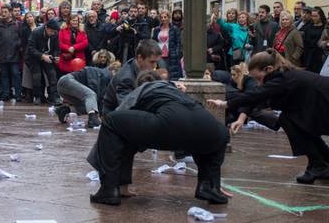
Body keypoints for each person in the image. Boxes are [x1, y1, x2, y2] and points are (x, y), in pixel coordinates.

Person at [212, 49, 329, 184]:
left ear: (268, 69)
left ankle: (318, 164)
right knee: (299, 122)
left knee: (289, 120)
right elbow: (258, 95)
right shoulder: (283, 76)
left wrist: (225, 104)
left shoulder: (283, 79)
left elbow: (256, 94)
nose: (258, 83)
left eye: (258, 78)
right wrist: (241, 118)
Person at [90, 71, 230, 206]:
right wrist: (212, 177)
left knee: (111, 121)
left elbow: (120, 117)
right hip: (208, 128)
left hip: (167, 124)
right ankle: (209, 186)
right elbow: (193, 129)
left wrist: (98, 161)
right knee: (221, 133)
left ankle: (109, 190)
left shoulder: (144, 88)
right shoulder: (176, 91)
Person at [102, 39, 163, 112]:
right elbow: (127, 108)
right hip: (114, 117)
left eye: (156, 62)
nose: (155, 66)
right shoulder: (126, 79)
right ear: (140, 58)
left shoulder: (136, 65)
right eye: (152, 62)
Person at [26, 19, 60, 105]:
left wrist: (56, 56)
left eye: (54, 32)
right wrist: (42, 56)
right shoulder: (36, 32)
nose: (53, 33)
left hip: (48, 56)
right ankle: (37, 96)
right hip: (34, 57)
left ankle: (55, 97)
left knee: (52, 75)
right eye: (51, 31)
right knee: (37, 77)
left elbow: (56, 48)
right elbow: (31, 48)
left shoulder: (55, 34)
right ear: (46, 28)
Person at [0, 5, 23, 102]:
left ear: (10, 12)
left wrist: (18, 45)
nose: (4, 14)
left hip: (14, 54)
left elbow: (22, 38)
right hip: (2, 54)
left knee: (16, 74)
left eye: (5, 12)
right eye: (2, 12)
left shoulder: (17, 24)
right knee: (4, 75)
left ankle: (18, 94)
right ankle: (6, 93)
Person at [152, 10, 183, 80]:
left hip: (171, 54)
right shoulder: (157, 29)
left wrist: (177, 53)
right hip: (160, 54)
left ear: (168, 18)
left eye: (165, 17)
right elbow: (154, 42)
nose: (163, 19)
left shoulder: (174, 29)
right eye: (161, 17)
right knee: (163, 73)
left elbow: (178, 42)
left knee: (172, 73)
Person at [302, 7, 327, 73]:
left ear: (320, 16)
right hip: (308, 55)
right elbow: (305, 41)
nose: (314, 18)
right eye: (312, 16)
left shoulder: (325, 27)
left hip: (319, 54)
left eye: (316, 16)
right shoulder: (308, 27)